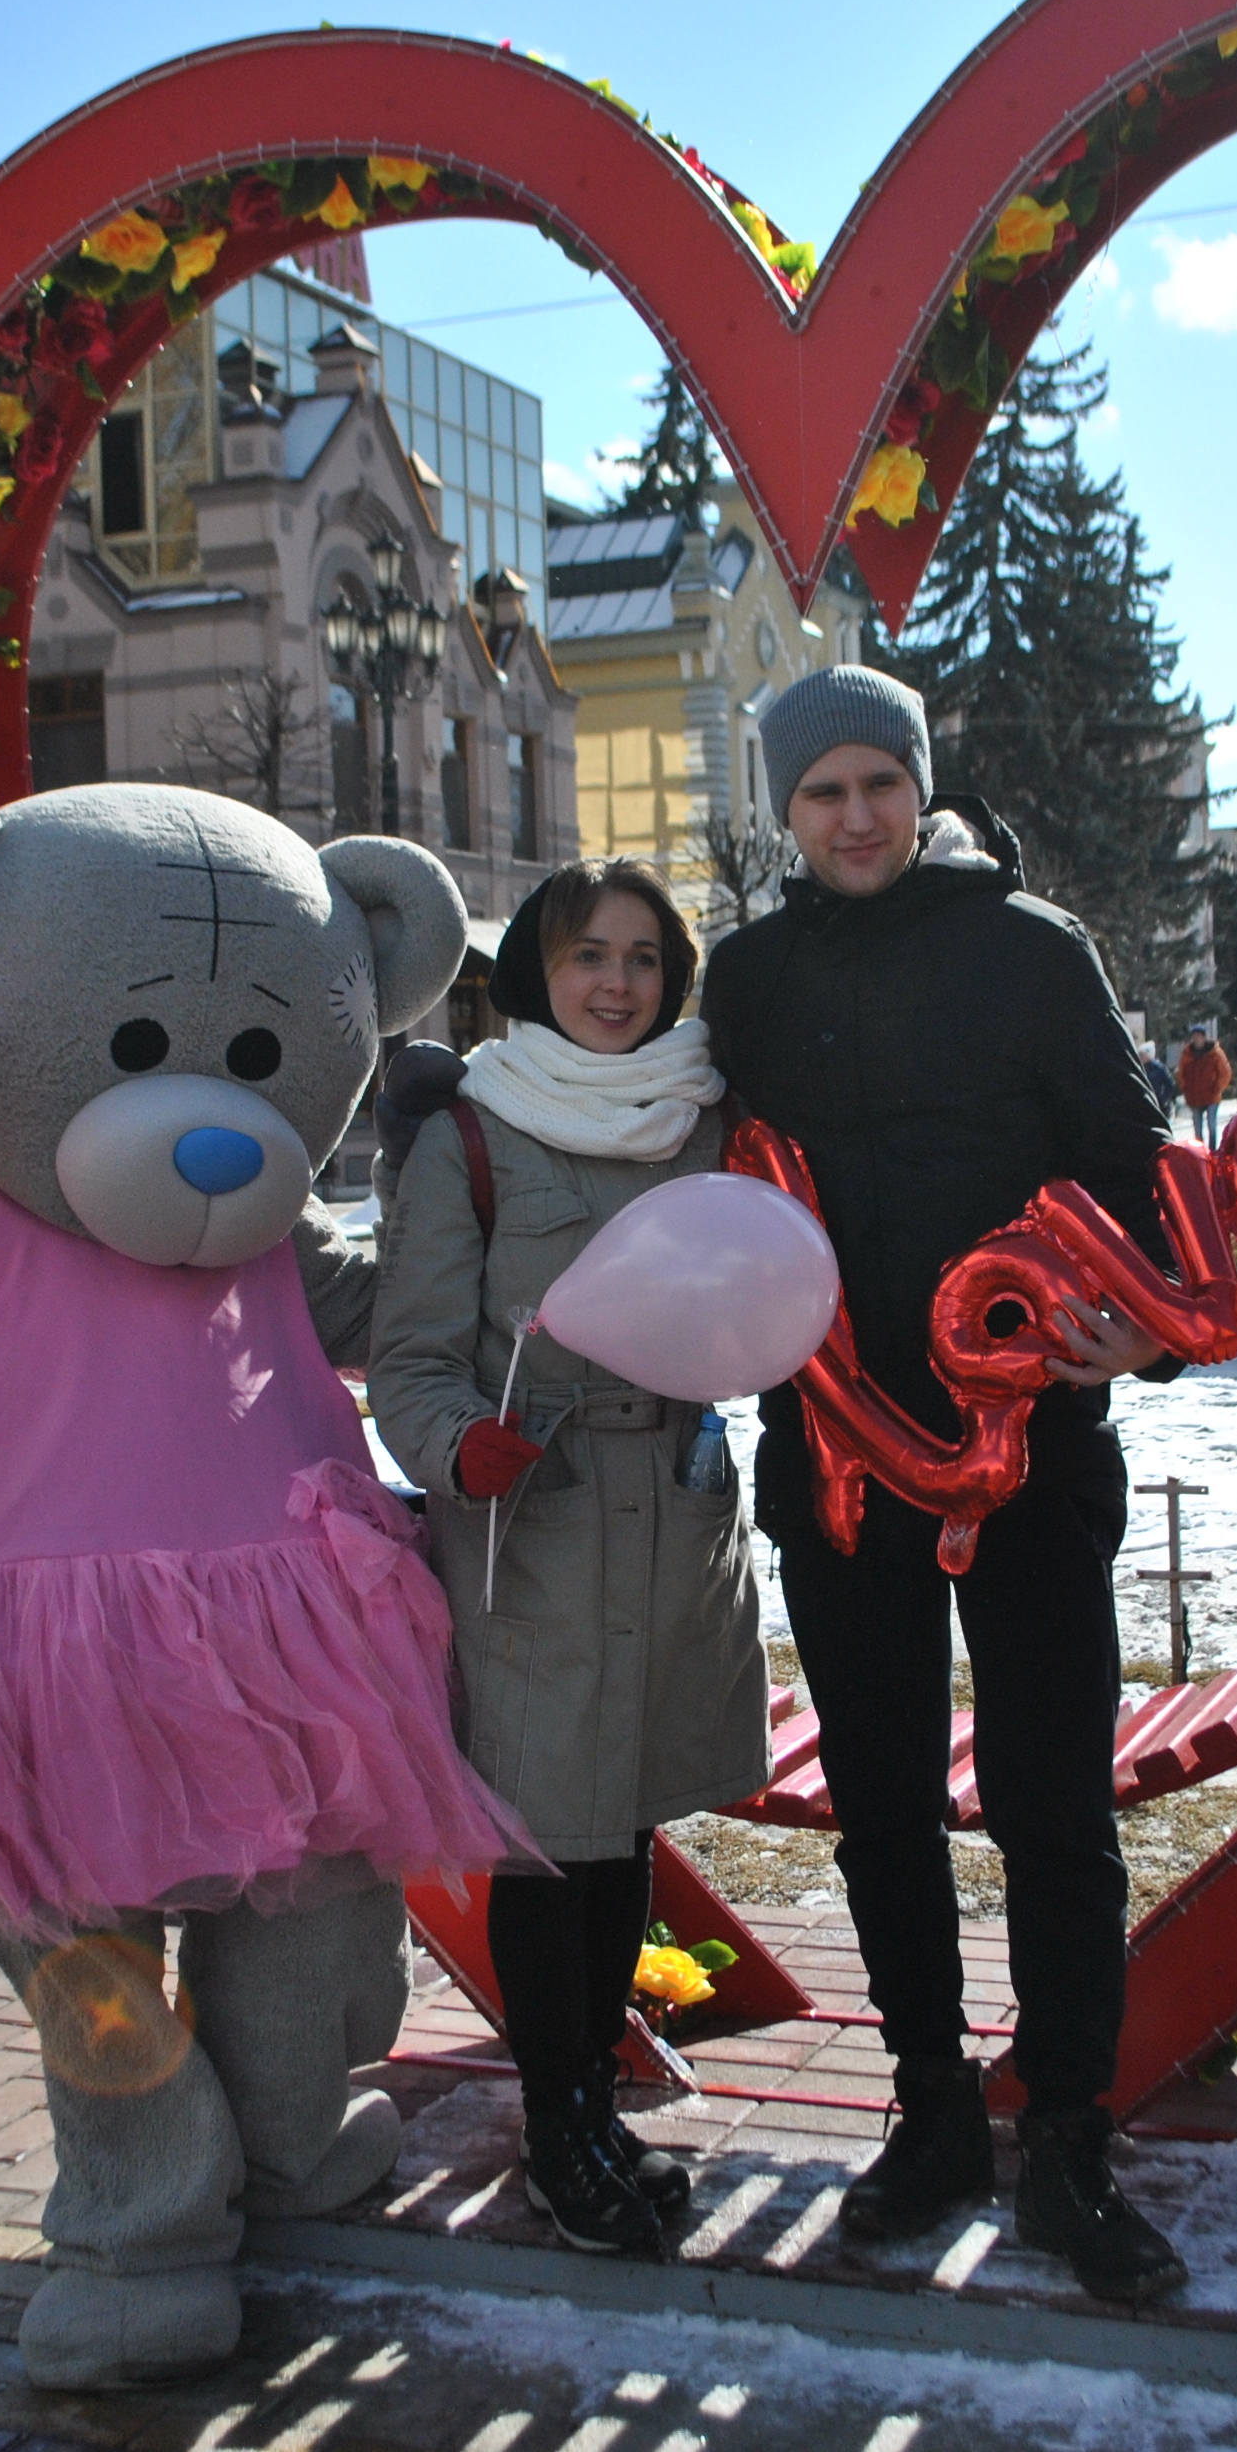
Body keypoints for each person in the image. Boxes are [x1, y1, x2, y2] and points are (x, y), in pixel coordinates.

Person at [700, 665, 1190, 2305]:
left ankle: (1063, 2137)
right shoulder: (746, 981)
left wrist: (1126, 1329)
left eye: (877, 786)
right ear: (785, 810)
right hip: (838, 1471)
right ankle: (926, 2111)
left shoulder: (1029, 949)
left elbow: (1133, 1181)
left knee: (1054, 1807)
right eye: (822, 791)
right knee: (887, 1809)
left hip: (1033, 1456)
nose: (854, 816)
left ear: (921, 792)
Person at [369, 860, 768, 2260]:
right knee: (550, 1839)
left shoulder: (707, 1117)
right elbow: (411, 1361)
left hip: (672, 1507)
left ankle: (594, 2105)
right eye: (589, 953)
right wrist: (458, 1446)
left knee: (629, 1823)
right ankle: (558, 2128)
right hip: (528, 1527)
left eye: (645, 957)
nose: (617, 982)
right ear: (537, 969)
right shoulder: (471, 1132)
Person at [1175, 1023, 1234, 1150]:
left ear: (1204, 1037)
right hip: (1194, 1097)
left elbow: (1226, 1073)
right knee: (1197, 1128)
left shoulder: (1215, 1053)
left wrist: (1218, 1087)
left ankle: (1213, 1151)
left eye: (1199, 1036)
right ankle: (1200, 1152)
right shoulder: (1187, 1054)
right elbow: (1181, 1073)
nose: (1196, 1038)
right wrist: (1185, 1088)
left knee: (1211, 1125)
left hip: (1212, 1096)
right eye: (1194, 1036)